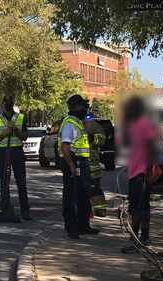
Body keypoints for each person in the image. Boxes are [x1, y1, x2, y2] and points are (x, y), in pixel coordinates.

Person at [121, 96, 159, 253]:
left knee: (139, 207)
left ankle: (137, 238)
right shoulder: (132, 125)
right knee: (138, 206)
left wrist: (149, 172)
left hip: (142, 173)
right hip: (134, 172)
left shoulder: (145, 124)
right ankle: (142, 236)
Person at [58, 94, 98, 238]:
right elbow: (65, 146)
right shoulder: (69, 123)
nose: (85, 109)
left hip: (81, 162)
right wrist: (71, 166)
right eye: (82, 106)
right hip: (73, 162)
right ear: (75, 107)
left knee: (83, 195)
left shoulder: (78, 122)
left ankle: (83, 225)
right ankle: (72, 228)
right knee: (71, 196)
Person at [0, 95, 31, 220]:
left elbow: (25, 136)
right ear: (3, 103)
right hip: (3, 152)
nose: (8, 103)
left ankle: (25, 210)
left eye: (10, 102)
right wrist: (4, 133)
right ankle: (5, 208)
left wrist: (16, 131)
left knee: (21, 182)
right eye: (6, 102)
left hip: (17, 152)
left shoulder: (20, 117)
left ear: (13, 103)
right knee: (4, 181)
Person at [84, 113, 107, 213]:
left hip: (92, 162)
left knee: (95, 188)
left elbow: (101, 139)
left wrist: (92, 140)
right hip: (84, 163)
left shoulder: (94, 126)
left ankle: (99, 210)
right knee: (88, 189)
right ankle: (89, 210)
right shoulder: (77, 124)